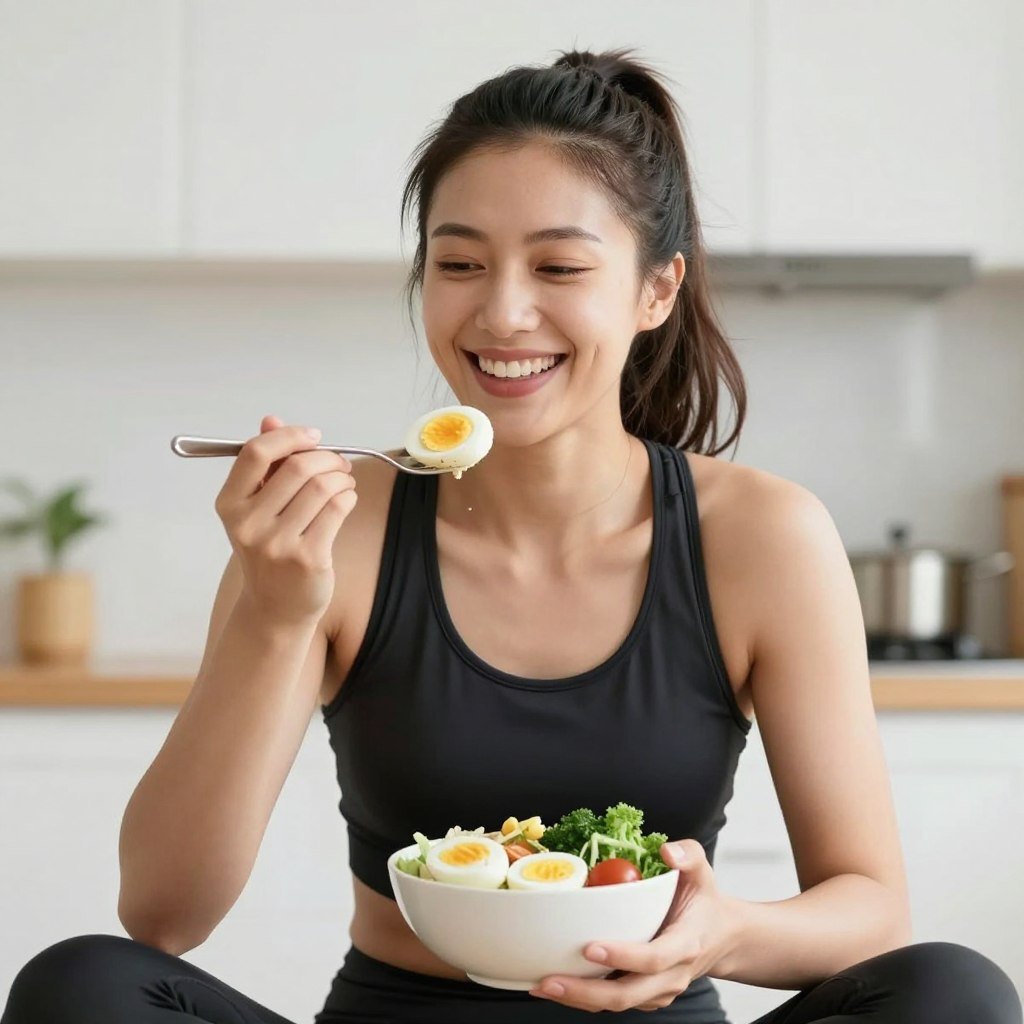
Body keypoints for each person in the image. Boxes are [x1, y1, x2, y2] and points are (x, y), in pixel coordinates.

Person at [3, 48, 1021, 1024]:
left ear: (656, 290)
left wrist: (723, 935)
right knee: (81, 984)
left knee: (955, 994)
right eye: (459, 262)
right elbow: (164, 916)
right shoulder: (333, 533)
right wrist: (274, 617)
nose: (502, 312)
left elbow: (870, 909)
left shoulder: (761, 536)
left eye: (558, 266)